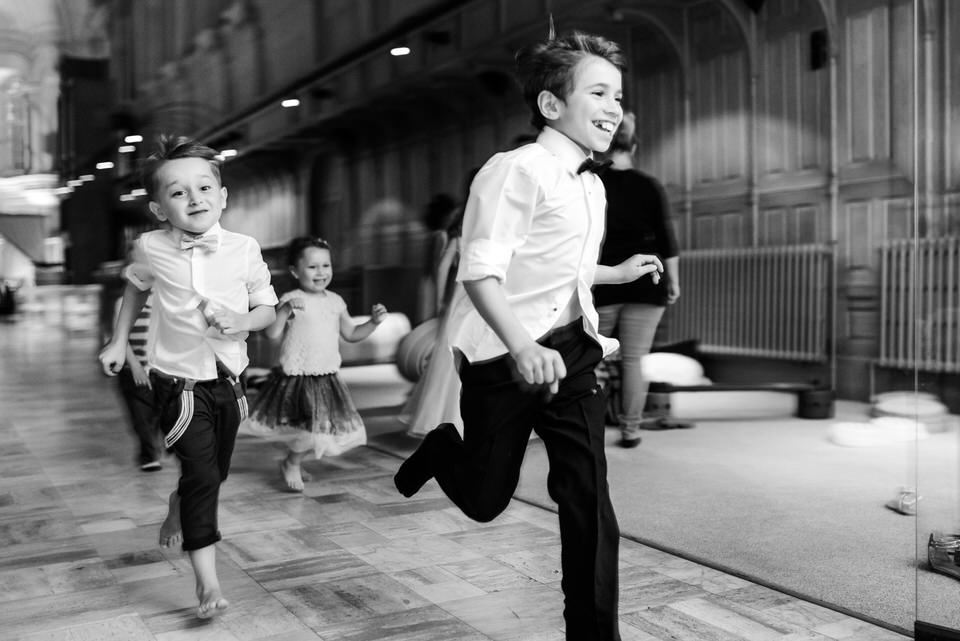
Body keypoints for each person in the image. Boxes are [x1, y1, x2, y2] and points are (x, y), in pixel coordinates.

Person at [393, 30, 662, 641]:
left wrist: (613, 273)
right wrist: (521, 345)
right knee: (488, 498)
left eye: (618, 95)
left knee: (589, 504)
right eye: (598, 92)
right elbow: (481, 271)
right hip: (502, 357)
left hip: (569, 350)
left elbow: (555, 264)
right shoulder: (515, 171)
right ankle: (442, 448)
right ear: (550, 105)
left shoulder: (589, 184)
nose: (614, 107)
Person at [98, 135, 278, 620]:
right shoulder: (151, 248)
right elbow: (135, 290)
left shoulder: (244, 249)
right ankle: (207, 584)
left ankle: (178, 502)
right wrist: (119, 341)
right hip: (177, 384)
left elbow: (267, 307)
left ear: (222, 197)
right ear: (158, 209)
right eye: (178, 192)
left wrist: (245, 321)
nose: (194, 198)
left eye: (204, 188)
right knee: (204, 478)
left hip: (229, 382)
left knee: (212, 473)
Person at [246, 236, 388, 491]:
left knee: (319, 428)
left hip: (326, 376)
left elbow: (352, 334)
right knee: (310, 426)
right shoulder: (292, 298)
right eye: (313, 267)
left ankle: (294, 460)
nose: (321, 272)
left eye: (326, 265)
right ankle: (292, 462)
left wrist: (374, 323)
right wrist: (285, 310)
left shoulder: (335, 301)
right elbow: (271, 334)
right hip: (297, 376)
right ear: (295, 271)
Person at [593, 111, 683, 447]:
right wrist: (672, 279)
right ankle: (630, 429)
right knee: (634, 360)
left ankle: (588, 429)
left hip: (602, 280)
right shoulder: (649, 185)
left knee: (590, 358)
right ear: (635, 144)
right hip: (648, 279)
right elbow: (666, 237)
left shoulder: (593, 180)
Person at [113, 290, 163, 471]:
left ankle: (150, 449)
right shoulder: (124, 302)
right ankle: (149, 454)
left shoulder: (162, 300)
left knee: (155, 413)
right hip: (131, 370)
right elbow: (120, 338)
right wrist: (135, 367)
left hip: (157, 369)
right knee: (140, 414)